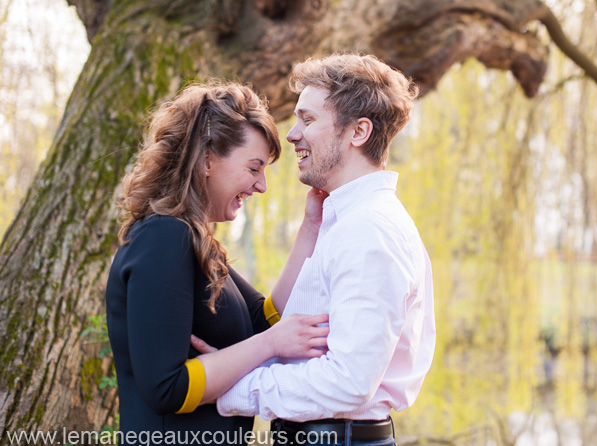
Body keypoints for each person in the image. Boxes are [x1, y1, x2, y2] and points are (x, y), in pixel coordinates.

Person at [199, 53, 437, 446]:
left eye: (307, 120)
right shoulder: (344, 220)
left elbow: (348, 381)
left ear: (358, 132)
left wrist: (228, 388)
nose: (291, 134)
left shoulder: (369, 229)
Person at [105, 81, 330, 445]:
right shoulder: (163, 237)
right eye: (254, 168)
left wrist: (311, 225)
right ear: (207, 159)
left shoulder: (194, 241)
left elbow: (265, 319)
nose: (262, 186)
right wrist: (269, 347)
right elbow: (166, 388)